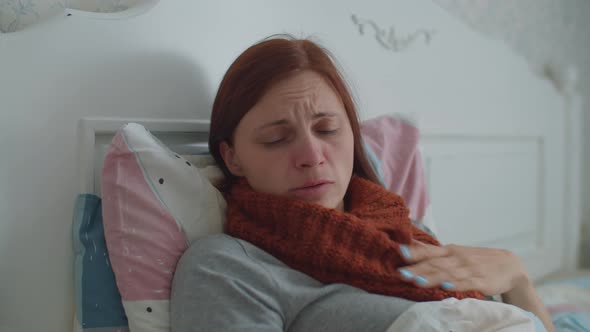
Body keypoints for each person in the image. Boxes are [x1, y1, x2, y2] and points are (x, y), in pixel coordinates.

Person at [170, 35, 555, 332]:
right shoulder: (227, 267)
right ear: (232, 156)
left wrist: (517, 277)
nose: (312, 154)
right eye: (276, 138)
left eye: (327, 129)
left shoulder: (408, 235)